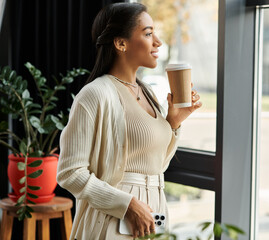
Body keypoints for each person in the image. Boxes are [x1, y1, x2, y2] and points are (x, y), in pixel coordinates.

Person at [56, 2, 202, 240]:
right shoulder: (95, 94)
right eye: (147, 33)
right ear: (120, 43)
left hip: (154, 214)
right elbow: (70, 173)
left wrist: (174, 122)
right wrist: (127, 205)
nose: (158, 42)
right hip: (112, 219)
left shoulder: (148, 94)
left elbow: (157, 166)